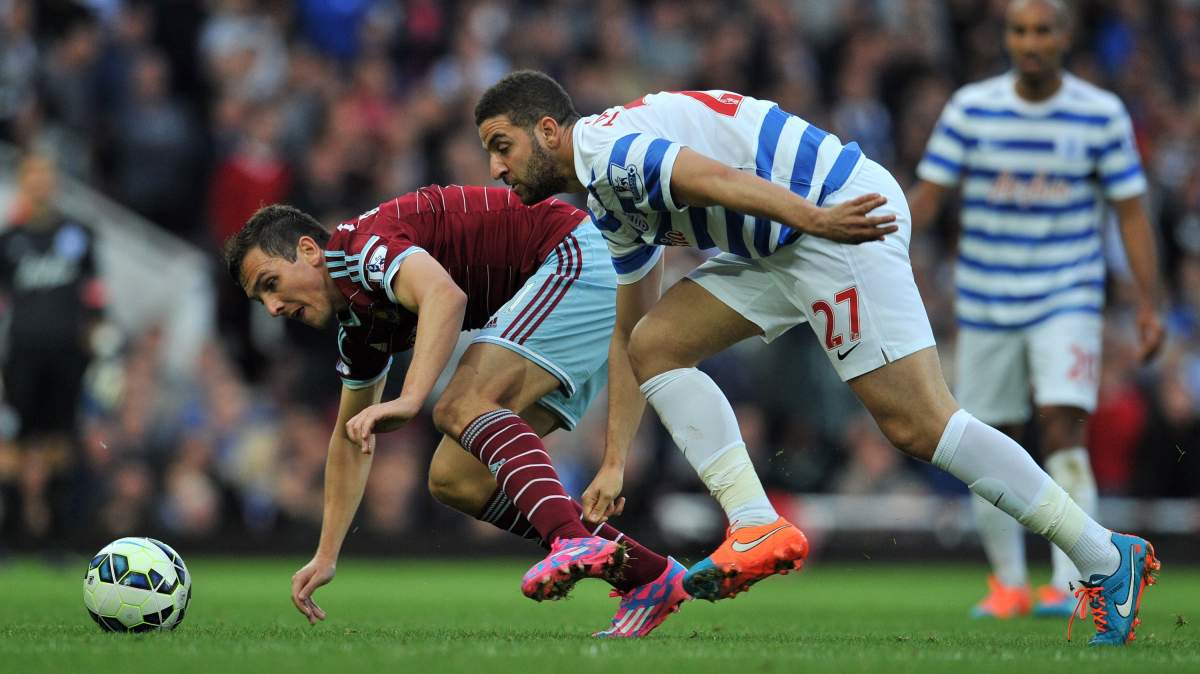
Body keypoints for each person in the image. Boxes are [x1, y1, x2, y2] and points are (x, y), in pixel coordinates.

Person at [474, 70, 1158, 645]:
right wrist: (616, 458)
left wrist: (817, 219)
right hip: (783, 239)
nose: (497, 169)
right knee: (658, 342)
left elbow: (712, 178)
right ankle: (755, 524)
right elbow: (633, 331)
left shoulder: (609, 151)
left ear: (549, 131)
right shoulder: (608, 200)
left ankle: (1105, 555)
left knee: (921, 424)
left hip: (831, 216)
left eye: (503, 146)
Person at [222, 184, 689, 638]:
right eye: (261, 299)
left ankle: (570, 540)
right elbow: (349, 438)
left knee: (459, 405)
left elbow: (444, 296)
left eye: (271, 284)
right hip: (568, 286)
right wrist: (326, 555)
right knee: (455, 478)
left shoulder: (357, 248)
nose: (273, 307)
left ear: (309, 250)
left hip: (573, 256)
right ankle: (648, 576)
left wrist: (410, 398)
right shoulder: (359, 326)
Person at [908, 0, 1164, 619]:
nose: (1030, 42)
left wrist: (1148, 303)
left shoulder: (1100, 114)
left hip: (1066, 295)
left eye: (1042, 30)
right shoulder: (971, 108)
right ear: (1007, 37)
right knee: (985, 435)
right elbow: (930, 197)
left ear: (1064, 37)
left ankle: (1073, 581)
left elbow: (1131, 212)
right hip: (985, 299)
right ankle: (1009, 583)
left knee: (1061, 423)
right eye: (1020, 31)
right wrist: (880, 246)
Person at [0, 153, 106, 552]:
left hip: (66, 354)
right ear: (23, 182)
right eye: (33, 175)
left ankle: (57, 538)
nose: (40, 182)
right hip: (21, 353)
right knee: (14, 438)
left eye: (46, 175)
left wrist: (96, 343)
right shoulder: (9, 239)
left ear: (55, 182)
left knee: (60, 438)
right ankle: (10, 534)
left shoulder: (77, 234)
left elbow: (95, 294)